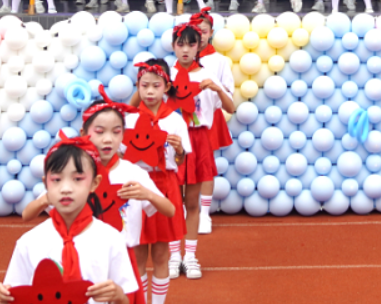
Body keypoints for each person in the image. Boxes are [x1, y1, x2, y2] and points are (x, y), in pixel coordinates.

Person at [20, 89, 176, 304]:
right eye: (100, 131)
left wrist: (147, 194)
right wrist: (47, 198)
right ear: (84, 131)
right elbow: (26, 215)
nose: (108, 139)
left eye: (116, 132)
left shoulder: (133, 172)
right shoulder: (74, 174)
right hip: (82, 256)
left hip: (121, 258)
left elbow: (170, 210)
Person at [0, 135, 138, 304]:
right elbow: (17, 296)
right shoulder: (29, 242)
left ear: (95, 183)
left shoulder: (111, 240)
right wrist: (1, 299)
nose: (66, 188)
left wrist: (119, 296)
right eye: (56, 180)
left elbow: (126, 299)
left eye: (77, 179)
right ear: (46, 183)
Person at [164, 23, 233, 280]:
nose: (185, 49)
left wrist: (217, 89)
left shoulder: (207, 74)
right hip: (172, 140)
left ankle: (190, 256)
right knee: (173, 202)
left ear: (198, 46)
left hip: (198, 139)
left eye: (191, 44)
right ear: (173, 46)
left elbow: (231, 107)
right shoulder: (165, 74)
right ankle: (174, 256)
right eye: (180, 44)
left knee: (191, 203)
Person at [125, 59, 191, 300]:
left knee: (162, 254)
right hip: (136, 186)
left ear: (167, 87)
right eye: (144, 86)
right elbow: (120, 156)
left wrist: (179, 149)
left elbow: (181, 161)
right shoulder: (128, 119)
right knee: (138, 253)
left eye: (156, 85)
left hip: (165, 187)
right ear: (137, 86)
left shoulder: (175, 120)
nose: (150, 91)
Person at [189, 8, 234, 235]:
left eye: (204, 31)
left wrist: (214, 89)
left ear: (211, 33)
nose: (200, 35)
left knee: (205, 166)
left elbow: (228, 93)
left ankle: (204, 214)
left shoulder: (220, 61)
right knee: (185, 164)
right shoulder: (181, 61)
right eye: (195, 31)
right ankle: (188, 211)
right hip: (185, 118)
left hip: (209, 117)